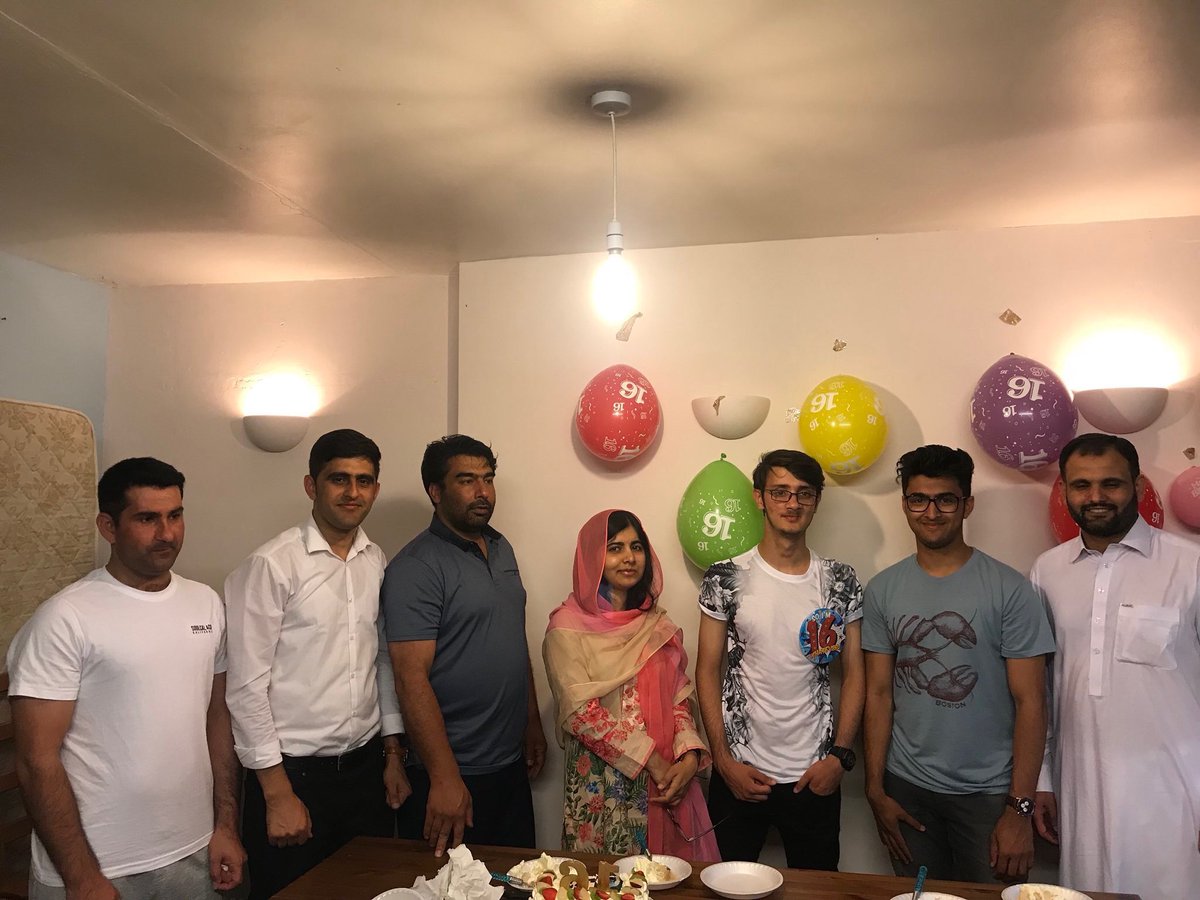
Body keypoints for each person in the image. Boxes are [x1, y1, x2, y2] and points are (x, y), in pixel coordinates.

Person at [7, 457, 245, 899]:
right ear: (108, 527)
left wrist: (226, 826)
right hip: (98, 867)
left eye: (175, 515)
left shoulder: (205, 603)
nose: (167, 533)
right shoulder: (65, 618)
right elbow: (36, 760)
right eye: (147, 519)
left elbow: (218, 718)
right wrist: (82, 877)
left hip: (193, 852)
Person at [224, 429, 408, 900]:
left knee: (369, 892)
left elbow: (380, 660)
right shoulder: (272, 565)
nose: (352, 492)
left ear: (376, 489)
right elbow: (245, 687)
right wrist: (276, 793)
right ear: (312, 486)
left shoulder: (375, 560)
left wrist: (392, 753)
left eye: (364, 481)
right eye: (338, 479)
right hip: (293, 776)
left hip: (365, 772)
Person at [861, 444, 1054, 885]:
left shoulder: (1010, 590)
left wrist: (1019, 809)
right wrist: (874, 789)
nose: (931, 512)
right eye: (918, 499)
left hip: (990, 795)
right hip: (906, 788)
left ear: (967, 505)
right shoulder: (883, 590)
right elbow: (879, 694)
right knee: (916, 896)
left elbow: (1032, 702)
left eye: (945, 499)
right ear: (904, 504)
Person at [1031, 433, 1200, 899]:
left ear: (1138, 486)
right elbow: (1043, 689)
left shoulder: (1189, 566)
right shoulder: (1047, 571)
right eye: (1081, 485)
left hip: (1177, 791)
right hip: (1081, 788)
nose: (1096, 497)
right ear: (1064, 490)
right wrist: (1043, 779)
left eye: (1111, 483)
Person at [695, 449, 864, 870]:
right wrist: (723, 761)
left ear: (817, 500)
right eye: (780, 492)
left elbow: (856, 674)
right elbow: (706, 669)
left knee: (818, 890)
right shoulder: (725, 577)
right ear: (759, 497)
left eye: (804, 493)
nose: (792, 503)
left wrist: (839, 758)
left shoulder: (840, 580)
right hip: (740, 772)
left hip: (814, 775)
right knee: (725, 887)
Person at [382, 434, 547, 857]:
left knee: (516, 880)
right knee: (450, 886)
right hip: (453, 774)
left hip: (508, 765)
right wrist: (444, 777)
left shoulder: (502, 547)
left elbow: (512, 640)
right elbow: (409, 678)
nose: (483, 492)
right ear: (435, 492)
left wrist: (531, 720)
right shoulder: (416, 567)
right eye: (467, 480)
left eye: (488, 479)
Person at [544, 509, 720, 860]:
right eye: (615, 548)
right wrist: (651, 761)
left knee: (670, 877)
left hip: (668, 780)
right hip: (605, 785)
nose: (629, 557)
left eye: (636, 547)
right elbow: (580, 714)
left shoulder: (656, 625)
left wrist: (688, 758)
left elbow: (679, 698)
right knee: (610, 879)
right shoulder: (566, 628)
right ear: (592, 558)